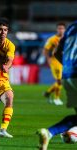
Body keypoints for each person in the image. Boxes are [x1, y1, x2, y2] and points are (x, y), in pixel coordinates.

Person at [37, 21, 77, 150]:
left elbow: (57, 52)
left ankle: (48, 133)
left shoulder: (71, 27)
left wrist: (67, 68)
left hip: (68, 75)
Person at [43, 23, 66, 105]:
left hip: (64, 62)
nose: (61, 30)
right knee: (59, 80)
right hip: (55, 62)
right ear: (57, 29)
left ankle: (48, 93)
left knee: (62, 81)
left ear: (65, 29)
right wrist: (48, 59)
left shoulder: (66, 39)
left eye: (62, 28)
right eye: (59, 28)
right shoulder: (52, 39)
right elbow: (45, 50)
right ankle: (56, 99)